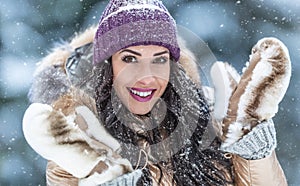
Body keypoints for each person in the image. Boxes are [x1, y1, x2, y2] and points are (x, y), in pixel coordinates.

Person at [22, 0, 289, 185]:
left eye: (159, 59)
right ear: (106, 65)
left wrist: (248, 135)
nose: (146, 76)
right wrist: (110, 179)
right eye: (129, 59)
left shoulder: (206, 119)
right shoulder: (79, 140)